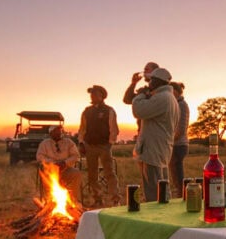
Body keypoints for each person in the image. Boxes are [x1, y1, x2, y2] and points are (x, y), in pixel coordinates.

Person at [132, 67, 179, 202]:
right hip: (160, 148)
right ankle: (165, 211)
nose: (149, 83)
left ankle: (156, 212)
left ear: (159, 81)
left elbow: (138, 110)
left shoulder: (162, 98)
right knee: (162, 187)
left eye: (152, 80)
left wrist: (140, 95)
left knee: (154, 190)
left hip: (153, 150)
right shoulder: (170, 98)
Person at [78, 85, 121, 207]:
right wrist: (81, 142)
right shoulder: (87, 111)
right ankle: (97, 198)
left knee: (109, 172)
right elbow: (82, 128)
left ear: (102, 96)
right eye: (92, 94)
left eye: (95, 94)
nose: (92, 96)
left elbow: (114, 128)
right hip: (90, 146)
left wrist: (110, 143)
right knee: (92, 174)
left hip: (104, 146)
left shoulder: (109, 110)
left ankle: (115, 198)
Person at [35, 125, 83, 205]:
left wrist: (65, 163)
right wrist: (53, 163)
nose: (58, 133)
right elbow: (39, 157)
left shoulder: (68, 142)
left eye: (59, 131)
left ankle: (72, 200)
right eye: (55, 131)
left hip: (66, 169)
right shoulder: (44, 144)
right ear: (51, 133)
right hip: (50, 171)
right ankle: (50, 201)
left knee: (77, 173)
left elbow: (75, 155)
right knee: (45, 176)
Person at [168, 81, 190, 198]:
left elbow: (181, 129)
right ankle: (181, 195)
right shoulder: (177, 104)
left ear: (175, 92)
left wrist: (169, 141)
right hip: (177, 144)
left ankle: (182, 197)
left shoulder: (181, 105)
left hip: (178, 145)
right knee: (175, 174)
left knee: (177, 175)